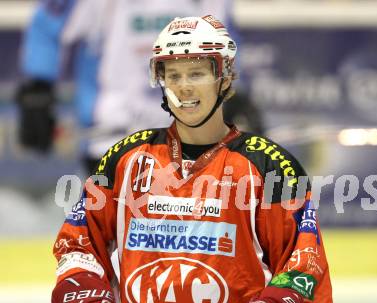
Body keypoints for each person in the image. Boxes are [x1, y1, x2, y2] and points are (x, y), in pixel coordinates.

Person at [51, 15, 333, 303]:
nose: (183, 87)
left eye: (197, 73)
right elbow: (79, 242)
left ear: (225, 77)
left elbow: (304, 256)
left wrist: (287, 301)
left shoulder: (269, 165)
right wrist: (83, 294)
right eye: (173, 75)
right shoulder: (125, 158)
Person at [16, 0, 264, 175]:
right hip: (111, 140)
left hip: (189, 140)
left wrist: (232, 95)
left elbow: (225, 43)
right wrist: (38, 89)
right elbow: (47, 27)